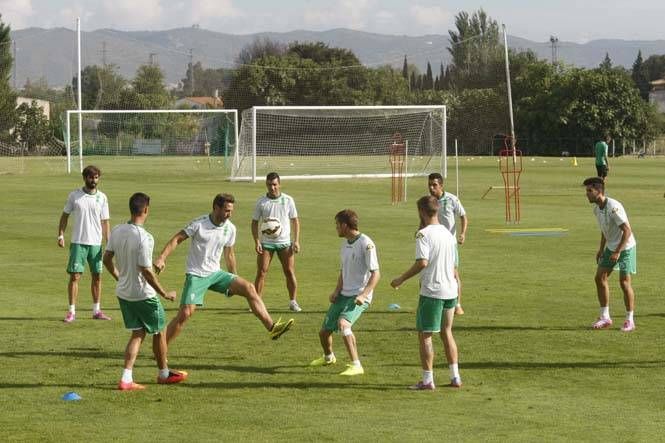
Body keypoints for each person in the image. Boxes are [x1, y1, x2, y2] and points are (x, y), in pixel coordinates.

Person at [154, 193, 294, 347]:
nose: (230, 214)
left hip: (216, 274)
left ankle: (272, 328)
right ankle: (160, 347)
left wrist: (233, 277)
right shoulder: (199, 224)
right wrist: (162, 258)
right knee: (185, 314)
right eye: (227, 210)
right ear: (216, 208)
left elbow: (230, 254)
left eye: (231, 210)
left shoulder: (230, 228)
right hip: (197, 274)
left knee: (249, 288)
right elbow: (176, 239)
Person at [103, 192, 188, 391]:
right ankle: (164, 374)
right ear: (146, 210)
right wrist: (164, 293)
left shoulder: (116, 230)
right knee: (159, 332)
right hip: (143, 295)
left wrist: (119, 277)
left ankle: (126, 378)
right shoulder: (145, 238)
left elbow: (106, 259)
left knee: (138, 333)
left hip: (124, 293)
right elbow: (146, 271)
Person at [391, 195, 461, 390]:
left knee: (425, 335)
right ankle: (455, 376)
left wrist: (401, 279)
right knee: (447, 332)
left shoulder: (423, 234)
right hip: (450, 290)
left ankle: (428, 379)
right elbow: (454, 265)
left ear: (421, 211)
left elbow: (422, 262)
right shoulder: (448, 234)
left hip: (432, 290)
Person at [309, 209, 380, 376]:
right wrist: (336, 291)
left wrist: (363, 295)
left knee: (343, 324)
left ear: (345, 225)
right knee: (324, 332)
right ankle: (329, 358)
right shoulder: (345, 244)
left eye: (337, 225)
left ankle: (356, 365)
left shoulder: (366, 243)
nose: (336, 228)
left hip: (358, 296)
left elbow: (376, 274)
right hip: (343, 294)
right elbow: (343, 271)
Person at [57, 164, 111, 323]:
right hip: (78, 242)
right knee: (75, 276)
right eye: (90, 177)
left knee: (97, 276)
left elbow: (105, 222)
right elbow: (64, 216)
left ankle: (96, 310)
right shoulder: (74, 196)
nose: (93, 180)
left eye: (96, 178)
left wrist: (110, 242)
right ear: (85, 178)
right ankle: (71, 312)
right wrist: (61, 235)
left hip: (96, 244)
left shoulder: (102, 197)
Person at [583, 177, 637, 332]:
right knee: (599, 278)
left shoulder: (614, 207)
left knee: (624, 282)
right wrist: (601, 249)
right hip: (611, 247)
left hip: (625, 247)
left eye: (589, 191)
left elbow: (627, 230)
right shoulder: (596, 209)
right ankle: (605, 317)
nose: (587, 194)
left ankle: (629, 320)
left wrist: (618, 251)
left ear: (598, 191)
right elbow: (604, 230)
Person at [251, 172, 302, 312]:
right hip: (266, 243)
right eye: (269, 185)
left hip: (285, 242)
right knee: (261, 272)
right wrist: (256, 241)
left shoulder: (288, 200)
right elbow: (254, 223)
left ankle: (293, 302)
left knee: (289, 271)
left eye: (274, 184)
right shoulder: (261, 202)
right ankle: (256, 302)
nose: (272, 188)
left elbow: (295, 220)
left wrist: (296, 241)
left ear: (279, 184)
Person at [427, 172, 468, 315]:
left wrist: (462, 233)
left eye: (434, 185)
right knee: (427, 272)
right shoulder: (429, 202)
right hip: (433, 244)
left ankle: (457, 304)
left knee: (453, 274)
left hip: (449, 245)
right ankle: (427, 302)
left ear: (441, 186)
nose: (432, 188)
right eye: (430, 185)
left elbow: (463, 216)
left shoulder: (452, 199)